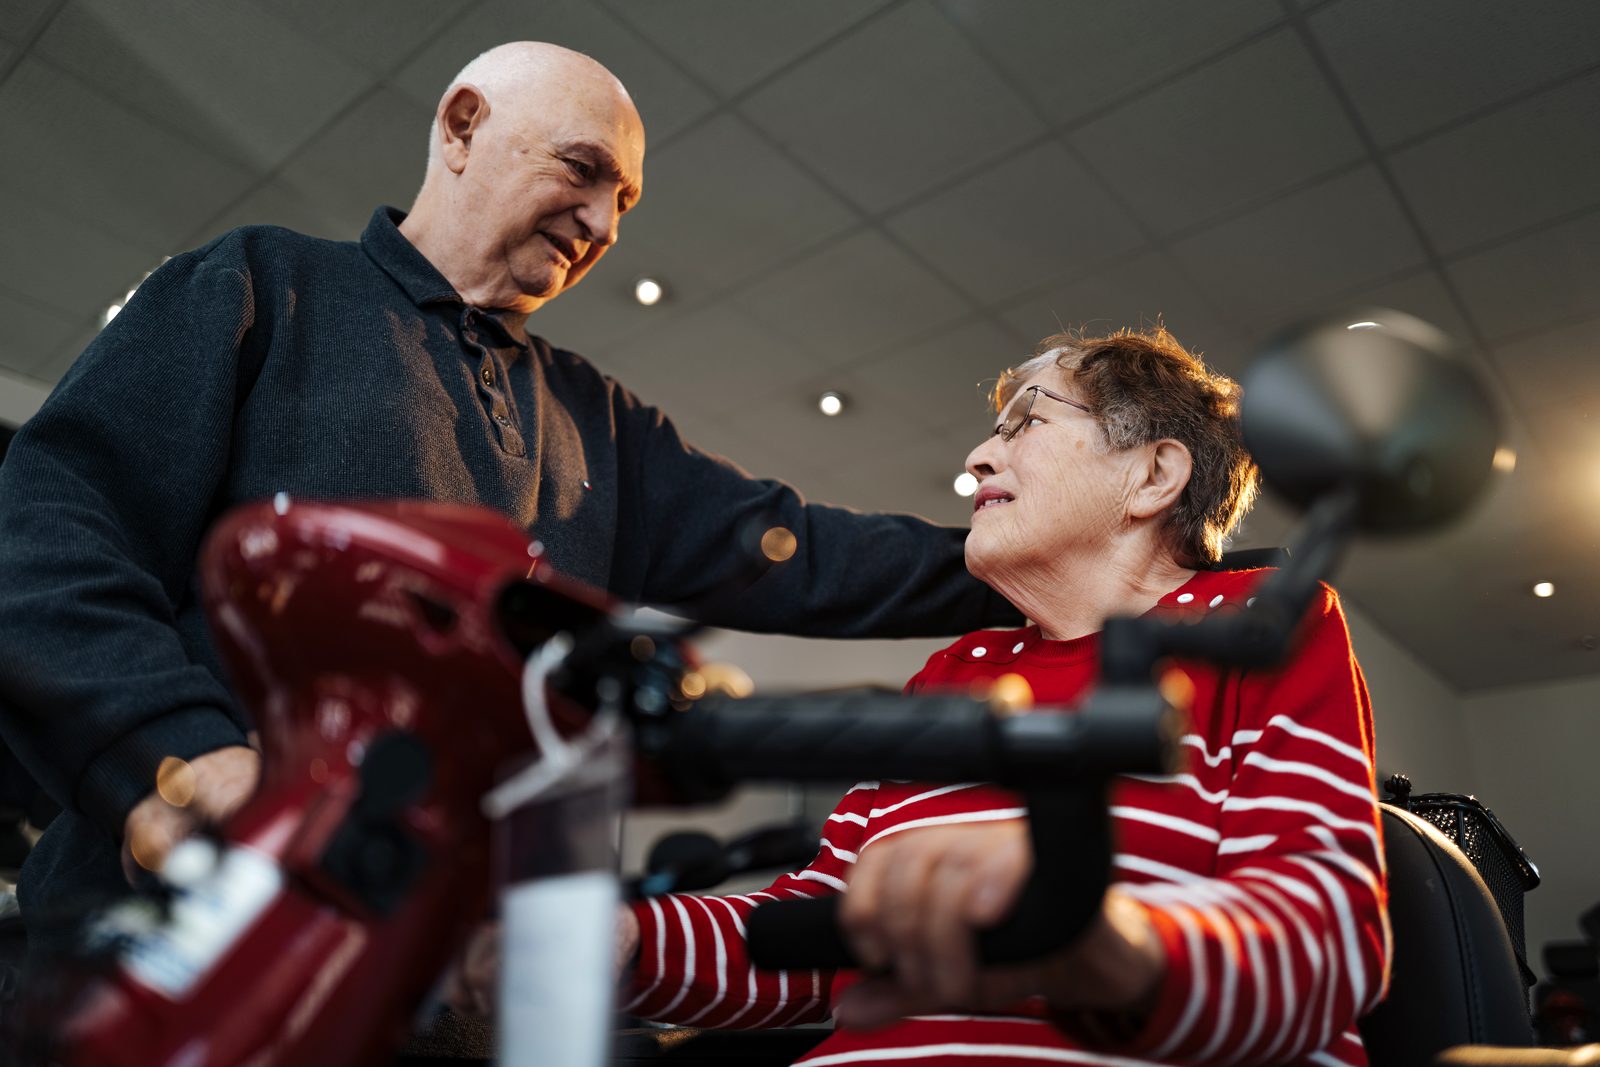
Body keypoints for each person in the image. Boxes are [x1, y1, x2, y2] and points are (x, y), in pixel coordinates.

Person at [0, 43, 1015, 934]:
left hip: (447, 984)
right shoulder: (261, 284)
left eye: (624, 202)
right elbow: (48, 532)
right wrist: (175, 752)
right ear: (460, 126)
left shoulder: (596, 420)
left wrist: (1020, 557)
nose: (603, 222)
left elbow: (796, 550)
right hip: (173, 939)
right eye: (583, 171)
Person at [618, 327, 1390, 1066]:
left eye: (1024, 423)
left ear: (1154, 475)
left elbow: (1322, 943)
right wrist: (623, 942)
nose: (979, 457)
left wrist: (1099, 939)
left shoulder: (1262, 624)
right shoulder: (955, 671)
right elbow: (824, 917)